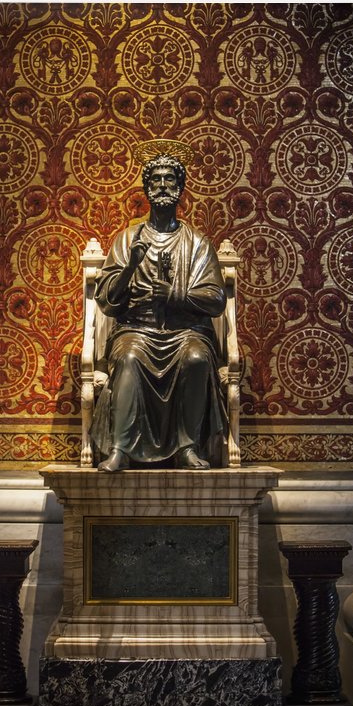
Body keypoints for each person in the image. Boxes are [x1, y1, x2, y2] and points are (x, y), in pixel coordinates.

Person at [90, 140, 228, 472]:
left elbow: (216, 299)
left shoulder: (197, 244)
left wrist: (176, 296)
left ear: (181, 189)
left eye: (170, 180)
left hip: (186, 332)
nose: (163, 186)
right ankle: (120, 449)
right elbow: (107, 301)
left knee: (196, 359)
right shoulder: (127, 239)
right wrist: (129, 267)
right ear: (146, 188)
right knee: (130, 358)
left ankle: (187, 446)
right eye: (156, 180)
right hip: (137, 330)